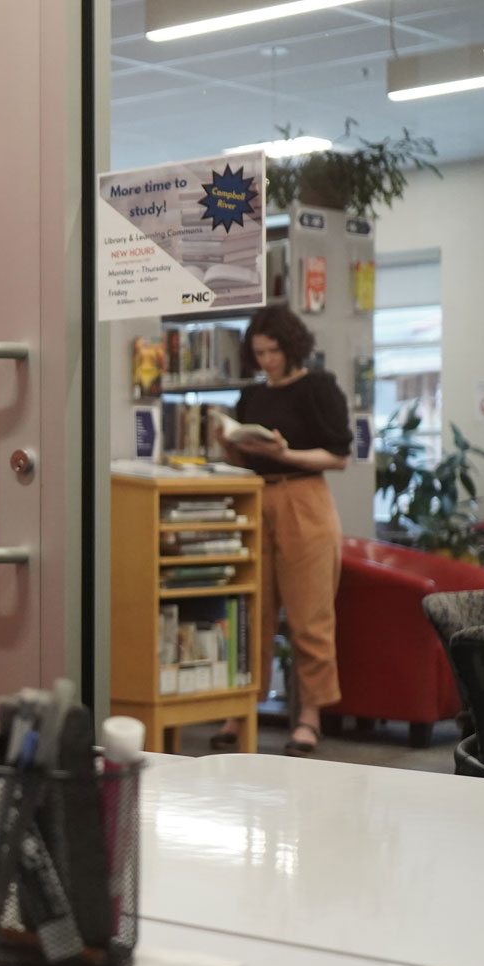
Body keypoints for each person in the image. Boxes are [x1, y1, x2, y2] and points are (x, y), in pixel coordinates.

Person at [216, 304, 352, 757]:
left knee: (309, 615)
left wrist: (286, 453)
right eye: (258, 353)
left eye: (273, 351)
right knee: (251, 609)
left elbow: (338, 456)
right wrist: (229, 445)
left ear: (291, 348)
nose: (266, 360)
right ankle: (241, 709)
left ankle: (309, 716)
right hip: (256, 498)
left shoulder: (318, 387)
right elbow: (245, 460)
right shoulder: (252, 397)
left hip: (303, 497)